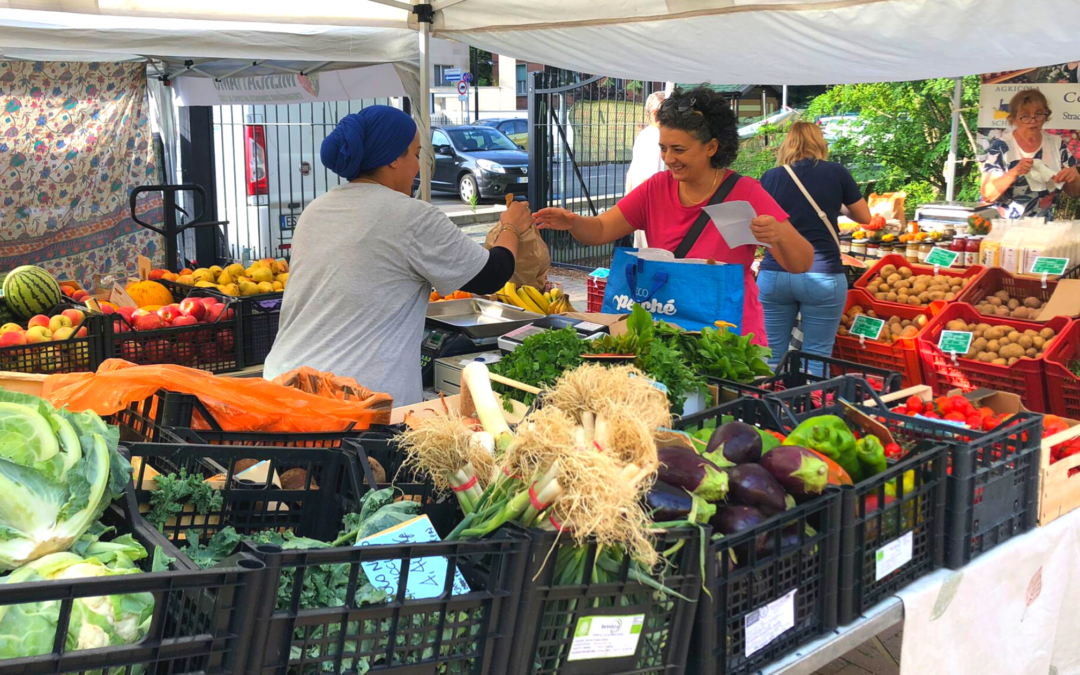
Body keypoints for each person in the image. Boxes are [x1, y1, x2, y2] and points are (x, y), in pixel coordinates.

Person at [264, 105, 534, 405]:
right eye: (416, 154)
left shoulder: (315, 211)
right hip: (356, 404)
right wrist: (512, 225)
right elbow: (492, 275)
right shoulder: (409, 216)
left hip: (284, 388)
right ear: (394, 158)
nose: (419, 167)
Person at [535, 86, 813, 347]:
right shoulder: (655, 188)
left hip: (728, 339)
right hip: (667, 329)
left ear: (712, 147)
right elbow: (600, 230)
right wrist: (573, 222)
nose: (668, 158)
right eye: (664, 148)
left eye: (679, 149)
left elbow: (800, 262)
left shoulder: (746, 192)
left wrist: (779, 234)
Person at [758, 121, 872, 370]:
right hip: (823, 274)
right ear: (819, 141)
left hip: (775, 273)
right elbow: (865, 218)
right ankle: (809, 406)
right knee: (816, 356)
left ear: (787, 143)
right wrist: (835, 205)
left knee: (770, 355)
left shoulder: (771, 177)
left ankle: (767, 405)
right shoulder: (837, 172)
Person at [981, 88, 1080, 219]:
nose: (1033, 120)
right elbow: (988, 195)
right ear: (1014, 119)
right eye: (1025, 116)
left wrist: (1073, 178)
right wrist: (1014, 172)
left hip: (1043, 227)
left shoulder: (1056, 144)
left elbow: (1074, 192)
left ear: (1046, 117)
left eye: (1039, 114)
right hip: (1005, 228)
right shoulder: (1002, 146)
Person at [626, 91, 667, 248]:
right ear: (656, 113)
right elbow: (646, 180)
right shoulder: (657, 138)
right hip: (653, 213)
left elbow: (631, 174)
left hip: (641, 210)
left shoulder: (644, 134)